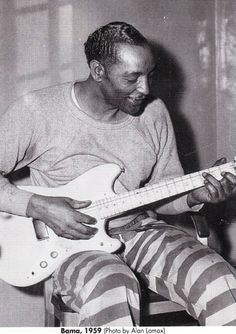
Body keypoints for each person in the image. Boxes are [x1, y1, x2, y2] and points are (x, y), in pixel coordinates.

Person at [1, 21, 236, 326]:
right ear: (98, 71)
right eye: (131, 78)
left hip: (141, 230)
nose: (146, 89)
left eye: (149, 75)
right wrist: (38, 206)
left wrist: (193, 195)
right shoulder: (36, 111)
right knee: (112, 286)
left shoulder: (154, 112)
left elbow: (161, 193)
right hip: (71, 247)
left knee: (219, 279)